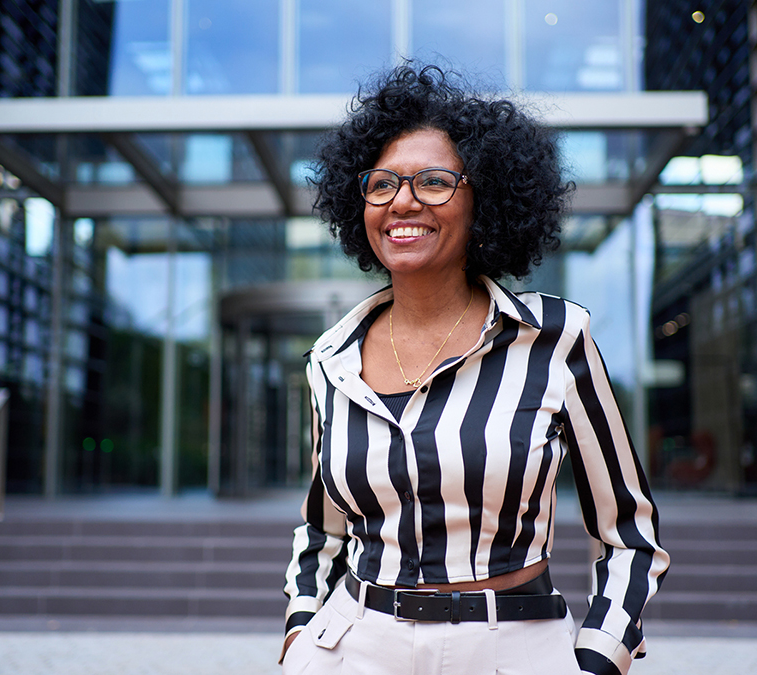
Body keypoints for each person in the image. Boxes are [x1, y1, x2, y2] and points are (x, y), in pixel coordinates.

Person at [281, 64, 668, 675]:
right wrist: (301, 630)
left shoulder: (554, 339)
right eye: (382, 184)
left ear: (483, 198)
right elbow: (321, 531)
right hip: (353, 648)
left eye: (434, 182)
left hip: (512, 647)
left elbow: (629, 534)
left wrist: (600, 657)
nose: (402, 201)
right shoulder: (332, 359)